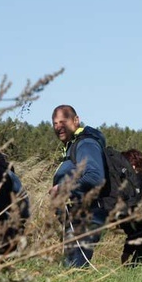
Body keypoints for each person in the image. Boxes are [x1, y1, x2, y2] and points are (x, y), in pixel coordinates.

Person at [51, 105, 108, 268]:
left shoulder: (85, 144)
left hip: (86, 216)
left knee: (74, 269)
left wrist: (62, 188)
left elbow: (95, 177)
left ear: (76, 120)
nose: (58, 127)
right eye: (55, 123)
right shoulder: (73, 146)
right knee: (71, 268)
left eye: (63, 121)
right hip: (76, 217)